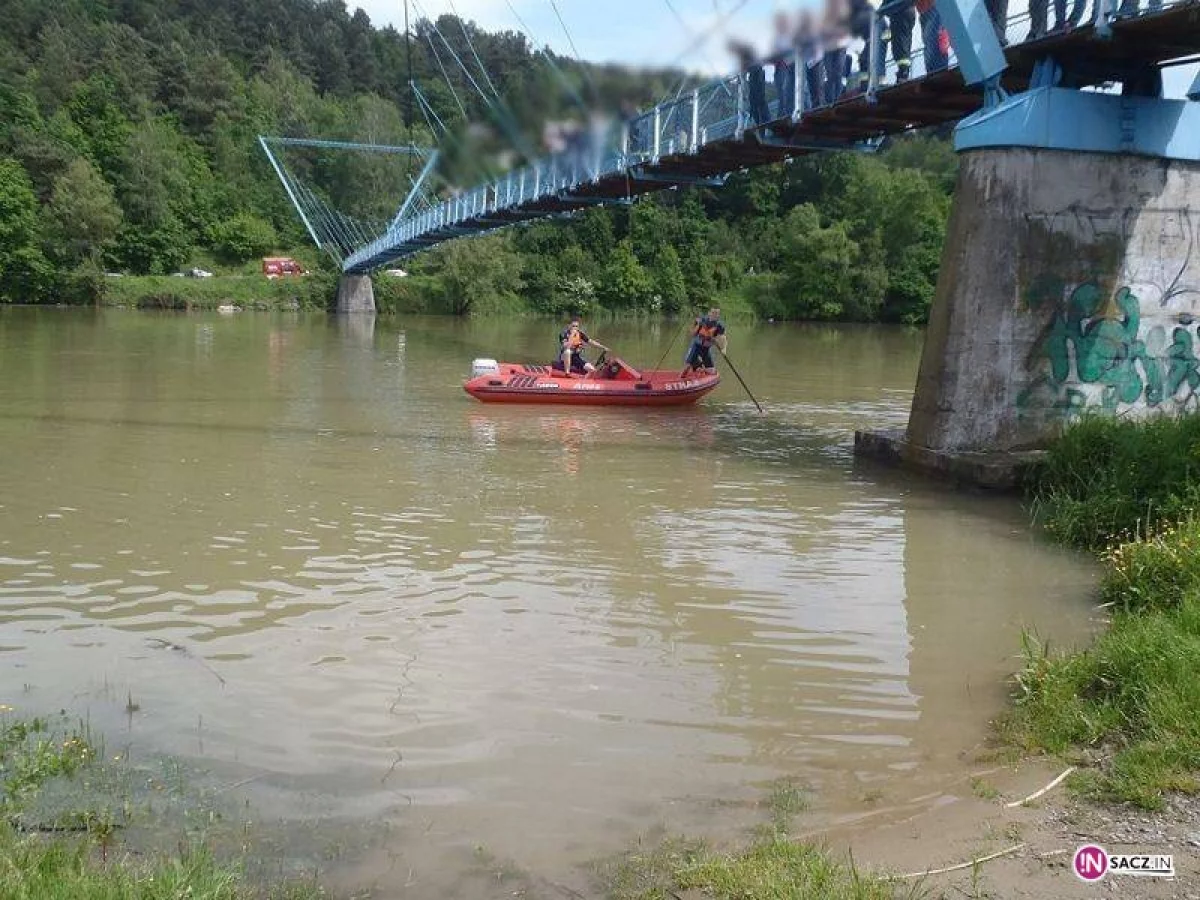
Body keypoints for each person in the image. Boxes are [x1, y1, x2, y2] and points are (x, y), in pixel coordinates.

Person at [681, 308, 728, 376]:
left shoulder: (719, 325)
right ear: (709, 313)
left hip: (706, 348)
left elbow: (723, 338)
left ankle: (701, 368)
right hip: (696, 346)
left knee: (712, 371)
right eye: (713, 313)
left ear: (718, 315)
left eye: (716, 313)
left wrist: (724, 349)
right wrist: (697, 325)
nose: (714, 315)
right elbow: (693, 333)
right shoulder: (703, 320)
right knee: (687, 366)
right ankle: (685, 377)